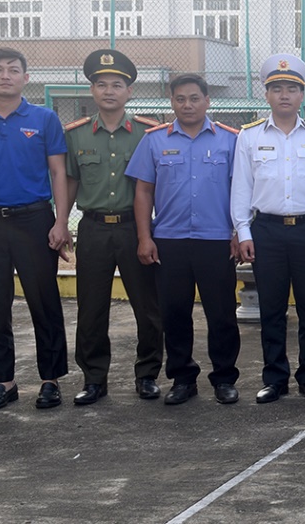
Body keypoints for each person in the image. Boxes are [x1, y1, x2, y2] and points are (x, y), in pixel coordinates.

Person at [0, 47, 73, 411]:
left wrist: (61, 221)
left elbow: (58, 172)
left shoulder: (44, 118)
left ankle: (50, 380)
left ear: (25, 77)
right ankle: (3, 382)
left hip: (34, 220)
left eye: (13, 69)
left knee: (44, 300)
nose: (5, 75)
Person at [126, 74, 242, 405]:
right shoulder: (154, 140)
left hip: (217, 240)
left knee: (221, 313)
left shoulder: (229, 140)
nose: (187, 105)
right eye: (180, 99)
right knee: (174, 313)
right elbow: (143, 191)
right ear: (171, 102)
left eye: (194, 98)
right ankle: (182, 378)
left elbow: (241, 190)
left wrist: (238, 232)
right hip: (169, 240)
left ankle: (224, 378)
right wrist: (144, 237)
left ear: (208, 101)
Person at [64, 49, 164, 405]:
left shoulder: (148, 133)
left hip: (134, 229)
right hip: (92, 229)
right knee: (91, 308)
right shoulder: (75, 136)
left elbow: (154, 186)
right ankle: (94, 378)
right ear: (91, 91)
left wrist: (148, 235)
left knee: (147, 307)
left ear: (129, 92)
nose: (109, 90)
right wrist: (61, 223)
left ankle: (148, 374)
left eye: (117, 84)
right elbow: (70, 182)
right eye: (101, 84)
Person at [231, 54, 305, 404]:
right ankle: (274, 378)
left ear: (302, 95)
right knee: (271, 309)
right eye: (277, 89)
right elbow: (241, 187)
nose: (284, 95)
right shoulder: (249, 137)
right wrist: (243, 231)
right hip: (267, 231)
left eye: (292, 88)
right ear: (267, 94)